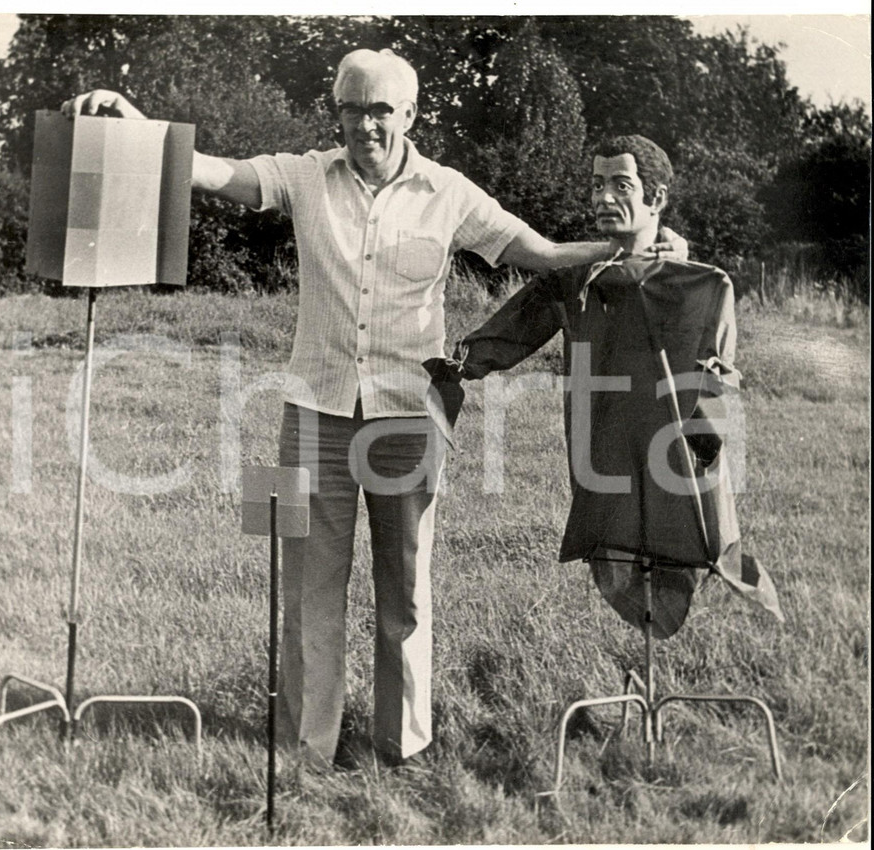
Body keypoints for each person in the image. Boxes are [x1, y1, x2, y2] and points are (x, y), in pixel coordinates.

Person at [62, 53, 688, 769]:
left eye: (381, 110)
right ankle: (308, 748)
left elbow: (539, 253)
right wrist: (141, 128)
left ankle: (403, 746)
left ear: (411, 116)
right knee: (308, 590)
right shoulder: (303, 174)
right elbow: (213, 170)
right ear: (337, 114)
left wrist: (629, 246)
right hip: (312, 414)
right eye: (353, 109)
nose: (366, 123)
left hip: (408, 419)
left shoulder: (448, 193)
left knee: (407, 590)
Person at [443, 134, 783, 631]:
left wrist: (705, 432)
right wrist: (454, 368)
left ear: (658, 197)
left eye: (621, 185)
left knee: (683, 547)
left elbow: (718, 379)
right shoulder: (574, 281)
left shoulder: (703, 284)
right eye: (597, 184)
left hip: (679, 467)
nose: (603, 198)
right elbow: (508, 332)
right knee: (617, 544)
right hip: (604, 462)